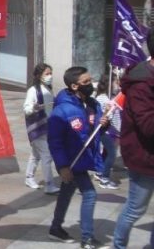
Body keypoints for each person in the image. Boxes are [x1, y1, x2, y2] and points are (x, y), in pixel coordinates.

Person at [47, 66, 109, 248]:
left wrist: (103, 124)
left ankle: (55, 228)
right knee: (90, 194)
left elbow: (94, 130)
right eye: (86, 82)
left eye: (90, 80)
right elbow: (55, 142)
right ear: (74, 86)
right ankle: (87, 239)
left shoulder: (92, 104)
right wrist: (63, 166)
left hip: (84, 158)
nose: (91, 84)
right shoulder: (62, 110)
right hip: (71, 161)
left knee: (66, 192)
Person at [113, 32, 154, 249]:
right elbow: (148, 126)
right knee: (135, 209)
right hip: (144, 159)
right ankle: (118, 246)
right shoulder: (142, 83)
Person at [23, 63, 59, 194]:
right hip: (37, 128)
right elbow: (26, 109)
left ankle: (29, 177)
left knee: (36, 153)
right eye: (47, 74)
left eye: (51, 73)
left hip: (47, 126)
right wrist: (34, 107)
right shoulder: (33, 91)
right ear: (39, 76)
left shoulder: (48, 89)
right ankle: (49, 184)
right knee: (46, 155)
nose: (50, 76)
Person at [94, 73, 120, 189]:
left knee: (106, 152)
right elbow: (102, 117)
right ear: (108, 83)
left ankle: (100, 172)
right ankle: (104, 179)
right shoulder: (102, 98)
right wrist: (107, 111)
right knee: (112, 154)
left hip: (112, 130)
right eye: (115, 82)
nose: (117, 85)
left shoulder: (111, 97)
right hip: (105, 130)